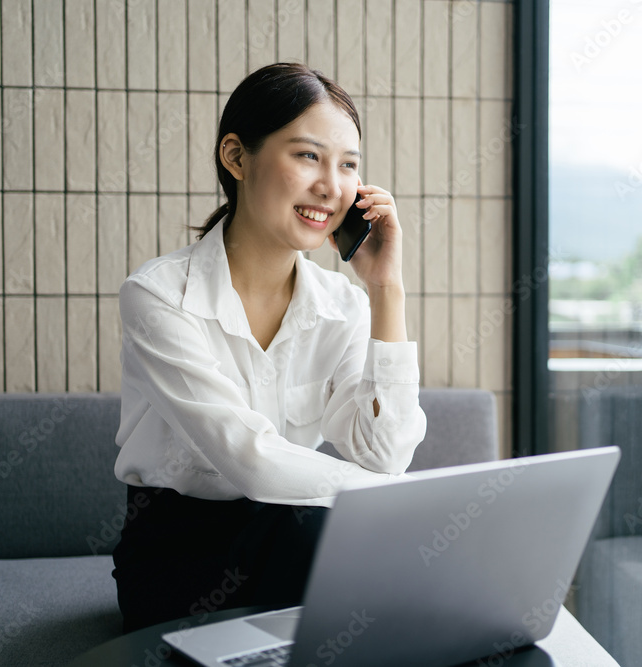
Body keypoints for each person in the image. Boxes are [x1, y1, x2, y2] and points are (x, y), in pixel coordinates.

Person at [110, 62, 427, 633]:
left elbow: (385, 454)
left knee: (372, 577)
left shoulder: (342, 305)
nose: (332, 187)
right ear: (237, 157)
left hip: (290, 531)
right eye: (308, 156)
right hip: (178, 552)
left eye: (348, 165)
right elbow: (250, 459)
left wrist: (386, 290)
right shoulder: (158, 297)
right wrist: (399, 505)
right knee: (351, 561)